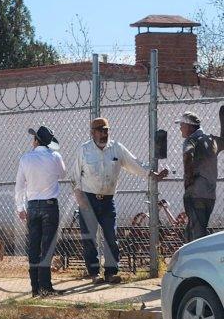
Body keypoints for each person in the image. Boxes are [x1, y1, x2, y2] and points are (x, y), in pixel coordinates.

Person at [70, 117, 168, 284]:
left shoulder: (116, 148)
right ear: (92, 133)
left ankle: (111, 272)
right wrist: (80, 199)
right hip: (88, 199)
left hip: (108, 200)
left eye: (106, 130)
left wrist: (153, 175)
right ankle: (94, 273)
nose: (104, 133)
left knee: (111, 236)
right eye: (100, 130)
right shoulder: (84, 150)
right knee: (90, 239)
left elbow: (134, 163)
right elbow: (74, 177)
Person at [15, 126, 66, 297]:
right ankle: (46, 287)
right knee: (47, 248)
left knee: (34, 248)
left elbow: (19, 186)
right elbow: (63, 174)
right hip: (50, 206)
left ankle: (35, 288)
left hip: (32, 206)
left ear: (36, 141)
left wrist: (20, 208)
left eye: (34, 138)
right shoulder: (55, 156)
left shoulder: (26, 158)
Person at [178, 111, 218, 242]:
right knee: (195, 229)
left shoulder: (191, 140)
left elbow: (188, 154)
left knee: (197, 235)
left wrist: (188, 178)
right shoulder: (210, 140)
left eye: (182, 125)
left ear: (189, 126)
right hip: (210, 195)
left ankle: (197, 260)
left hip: (195, 194)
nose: (180, 128)